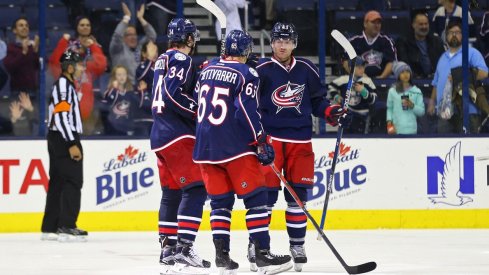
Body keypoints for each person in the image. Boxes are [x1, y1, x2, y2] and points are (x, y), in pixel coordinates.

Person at [193, 29, 293, 275]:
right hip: (234, 147)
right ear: (246, 52)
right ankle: (262, 255)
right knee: (257, 199)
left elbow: (198, 99)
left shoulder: (206, 69)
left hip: (204, 147)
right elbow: (246, 111)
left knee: (220, 203)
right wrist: (259, 140)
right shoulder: (247, 73)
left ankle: (222, 256)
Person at [254, 22, 351, 272]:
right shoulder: (261, 69)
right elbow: (250, 105)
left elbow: (318, 101)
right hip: (271, 142)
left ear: (294, 43)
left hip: (300, 142)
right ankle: (258, 245)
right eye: (277, 40)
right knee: (265, 198)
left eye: (286, 40)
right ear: (271, 43)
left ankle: (297, 245)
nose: (282, 45)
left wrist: (332, 112)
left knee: (298, 199)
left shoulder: (306, 68)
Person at [150, 18, 210, 274]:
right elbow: (173, 94)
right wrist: (199, 111)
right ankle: (184, 248)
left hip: (160, 134)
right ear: (187, 38)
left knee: (171, 192)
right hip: (177, 134)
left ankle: (168, 251)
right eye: (192, 37)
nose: (194, 42)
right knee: (196, 189)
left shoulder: (161, 59)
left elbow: (168, 91)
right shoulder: (182, 59)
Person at [41, 49, 87, 242]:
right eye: (78, 64)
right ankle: (67, 225)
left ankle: (51, 227)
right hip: (64, 137)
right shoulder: (64, 86)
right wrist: (71, 143)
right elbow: (61, 116)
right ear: (70, 67)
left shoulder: (66, 85)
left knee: (58, 181)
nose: (81, 68)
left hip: (58, 136)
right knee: (72, 181)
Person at [49, 16, 107, 134]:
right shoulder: (69, 46)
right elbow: (56, 63)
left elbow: (101, 66)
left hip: (87, 106)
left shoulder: (94, 47)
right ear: (76, 27)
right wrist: (63, 42)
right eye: (82, 25)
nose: (85, 27)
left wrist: (93, 46)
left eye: (87, 25)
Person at [428, 21, 489, 134]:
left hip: (468, 111)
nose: (454, 35)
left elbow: (484, 73)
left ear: (463, 35)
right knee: (445, 149)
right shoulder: (442, 57)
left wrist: (461, 75)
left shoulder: (471, 53)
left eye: (457, 32)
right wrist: (432, 101)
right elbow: (436, 82)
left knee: (469, 147)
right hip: (445, 112)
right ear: (446, 36)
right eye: (451, 32)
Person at [110, 3, 157, 85]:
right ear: (123, 38)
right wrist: (127, 17)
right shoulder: (117, 49)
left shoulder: (139, 47)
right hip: (123, 88)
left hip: (139, 88)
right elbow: (117, 35)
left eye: (134, 34)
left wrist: (141, 19)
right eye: (129, 35)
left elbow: (152, 36)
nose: (133, 37)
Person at [343, 10, 397, 79]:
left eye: (378, 23)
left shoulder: (387, 41)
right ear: (365, 24)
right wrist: (361, 76)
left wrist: (381, 77)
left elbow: (391, 62)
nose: (376, 25)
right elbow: (345, 62)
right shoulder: (354, 41)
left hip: (382, 80)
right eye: (373, 22)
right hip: (358, 79)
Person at [328, 58, 377, 134]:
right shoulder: (343, 79)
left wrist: (364, 92)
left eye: (363, 67)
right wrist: (336, 96)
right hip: (347, 114)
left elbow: (374, 99)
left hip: (363, 116)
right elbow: (331, 86)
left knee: (361, 140)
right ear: (351, 68)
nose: (362, 69)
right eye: (359, 67)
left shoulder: (367, 81)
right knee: (345, 139)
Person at [396, 12, 446, 79]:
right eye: (421, 24)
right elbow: (404, 63)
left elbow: (443, 62)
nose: (424, 27)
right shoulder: (403, 42)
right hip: (414, 79)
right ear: (413, 25)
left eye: (426, 24)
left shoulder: (436, 41)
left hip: (435, 78)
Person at [100, 65, 142, 136]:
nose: (122, 77)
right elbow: (108, 103)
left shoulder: (132, 91)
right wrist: (114, 89)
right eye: (119, 75)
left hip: (128, 128)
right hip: (113, 127)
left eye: (124, 74)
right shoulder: (109, 91)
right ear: (114, 77)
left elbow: (137, 107)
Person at [3, 17, 40, 96]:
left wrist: (36, 51)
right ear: (14, 30)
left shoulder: (33, 47)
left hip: (33, 91)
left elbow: (40, 66)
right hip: (17, 91)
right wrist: (23, 52)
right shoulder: (11, 47)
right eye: (21, 25)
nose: (24, 27)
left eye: (26, 26)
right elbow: (10, 67)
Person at [386, 62, 425, 135]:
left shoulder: (417, 91)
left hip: (412, 131)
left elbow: (422, 112)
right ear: (398, 75)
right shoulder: (392, 91)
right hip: (396, 131)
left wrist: (412, 106)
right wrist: (389, 125)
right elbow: (389, 109)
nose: (405, 74)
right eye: (402, 72)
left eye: (407, 72)